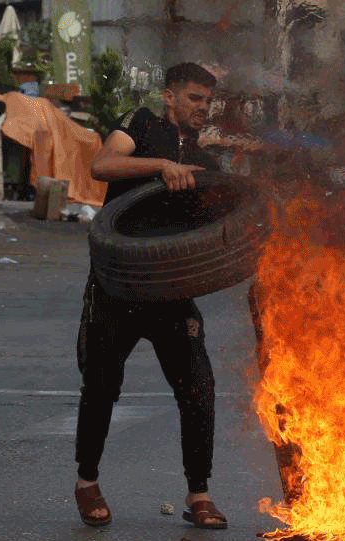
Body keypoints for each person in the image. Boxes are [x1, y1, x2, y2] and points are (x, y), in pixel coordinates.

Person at [73, 62, 227, 529]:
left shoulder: (205, 156)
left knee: (199, 389)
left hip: (170, 289)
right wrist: (163, 166)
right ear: (170, 97)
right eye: (195, 99)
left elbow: (219, 224)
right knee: (101, 388)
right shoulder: (140, 124)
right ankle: (87, 483)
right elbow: (102, 165)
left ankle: (199, 494)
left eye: (208, 101)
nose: (203, 109)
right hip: (116, 284)